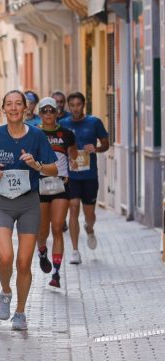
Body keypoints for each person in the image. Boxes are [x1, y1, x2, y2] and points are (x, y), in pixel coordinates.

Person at [0, 90, 57, 330]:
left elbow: (53, 169)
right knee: (5, 257)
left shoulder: (36, 136)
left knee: (24, 262)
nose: (13, 108)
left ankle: (21, 313)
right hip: (1, 201)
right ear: (3, 109)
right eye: (9, 104)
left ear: (26, 108)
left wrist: (37, 165)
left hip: (28, 203)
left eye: (18, 104)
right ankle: (5, 291)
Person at [60, 91, 109, 264]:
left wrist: (96, 149)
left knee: (90, 214)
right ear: (68, 106)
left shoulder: (94, 122)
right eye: (72, 105)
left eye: (78, 105)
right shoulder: (63, 124)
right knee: (73, 207)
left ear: (83, 105)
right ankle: (74, 251)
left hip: (89, 175)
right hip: (71, 175)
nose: (75, 109)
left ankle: (90, 228)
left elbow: (105, 144)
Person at [35, 97, 77, 288]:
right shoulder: (34, 133)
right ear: (40, 113)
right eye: (45, 111)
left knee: (57, 227)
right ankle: (42, 251)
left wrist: (73, 163)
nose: (49, 114)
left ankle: (56, 273)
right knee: (42, 230)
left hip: (61, 185)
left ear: (57, 112)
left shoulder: (66, 133)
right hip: (41, 185)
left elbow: (73, 153)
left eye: (52, 110)